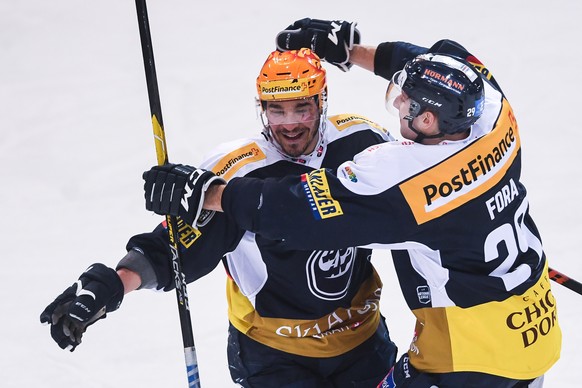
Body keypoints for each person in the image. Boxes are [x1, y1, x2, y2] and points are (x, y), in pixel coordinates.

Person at [142, 20, 562, 387]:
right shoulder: (493, 113)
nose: (397, 101)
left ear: (430, 120)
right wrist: (351, 52)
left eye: (407, 102)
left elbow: (300, 213)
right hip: (538, 334)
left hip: (466, 356)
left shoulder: (403, 177)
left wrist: (210, 193)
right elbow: (439, 60)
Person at [41, 48, 400, 387]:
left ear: (322, 102)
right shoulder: (237, 173)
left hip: (362, 343)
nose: (290, 124)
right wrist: (111, 286)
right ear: (262, 108)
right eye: (277, 110)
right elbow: (175, 247)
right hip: (277, 356)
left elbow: (415, 208)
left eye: (302, 108)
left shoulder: (363, 142)